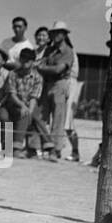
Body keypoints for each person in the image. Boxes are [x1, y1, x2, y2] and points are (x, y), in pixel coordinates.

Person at [38, 21, 76, 162]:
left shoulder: (67, 51)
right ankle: (42, 146)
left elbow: (58, 69)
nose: (55, 35)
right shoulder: (49, 50)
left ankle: (55, 149)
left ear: (65, 34)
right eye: (54, 32)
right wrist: (43, 68)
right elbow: (41, 64)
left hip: (60, 84)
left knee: (58, 119)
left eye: (59, 32)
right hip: (47, 84)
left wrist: (42, 68)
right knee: (40, 116)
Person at [5, 46, 48, 158]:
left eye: (27, 60)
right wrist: (23, 106)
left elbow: (34, 97)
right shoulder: (13, 74)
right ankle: (17, 148)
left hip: (29, 105)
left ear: (33, 62)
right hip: (14, 104)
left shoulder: (38, 77)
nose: (24, 62)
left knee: (34, 115)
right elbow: (12, 94)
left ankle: (34, 149)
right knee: (24, 114)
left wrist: (29, 110)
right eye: (22, 59)